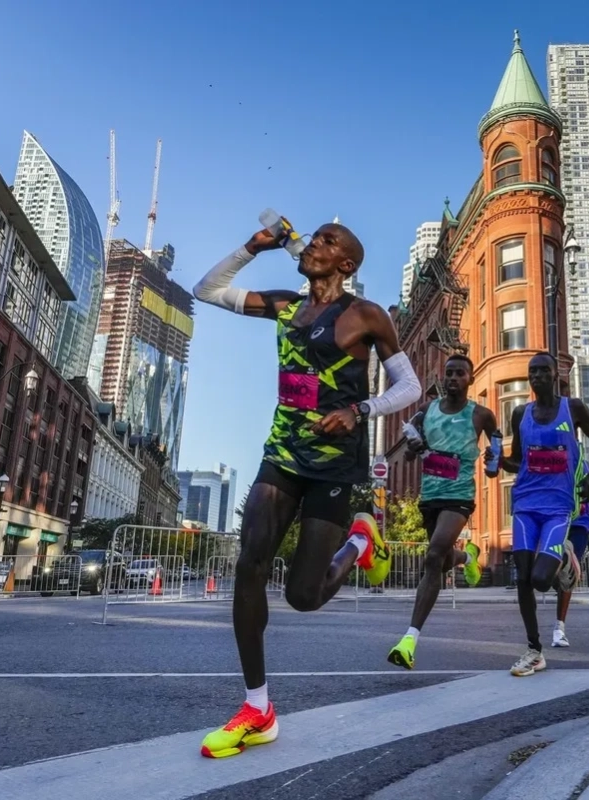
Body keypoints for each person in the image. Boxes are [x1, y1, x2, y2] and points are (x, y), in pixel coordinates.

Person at [191, 221, 422, 758]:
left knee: (303, 596)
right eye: (312, 238)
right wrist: (252, 246)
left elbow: (409, 386)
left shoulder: (367, 316)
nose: (314, 244)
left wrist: (359, 409)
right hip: (282, 455)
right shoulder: (285, 306)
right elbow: (206, 290)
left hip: (335, 468)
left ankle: (360, 541)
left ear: (347, 265)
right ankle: (257, 707)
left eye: (327, 241)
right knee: (248, 564)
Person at [387, 354, 499, 669]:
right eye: (448, 373)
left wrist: (493, 459)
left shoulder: (481, 415)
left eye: (459, 373)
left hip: (460, 496)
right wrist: (414, 446)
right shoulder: (426, 410)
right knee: (445, 558)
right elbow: (409, 452)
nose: (452, 378)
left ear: (470, 379)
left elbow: (495, 459)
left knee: (433, 556)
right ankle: (466, 557)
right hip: (431, 496)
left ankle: (409, 639)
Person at [502, 352, 589, 676]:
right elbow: (516, 460)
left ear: (555, 374)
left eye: (543, 371)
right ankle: (534, 650)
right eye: (532, 372)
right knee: (522, 577)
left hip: (559, 505)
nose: (536, 377)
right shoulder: (521, 414)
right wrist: (496, 462)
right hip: (524, 503)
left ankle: (563, 559)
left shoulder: (572, 408)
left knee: (539, 579)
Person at [550, 474, 589, 648]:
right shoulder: (550, 459)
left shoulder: (584, 468)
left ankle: (559, 628)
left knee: (567, 572)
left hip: (579, 524)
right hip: (554, 520)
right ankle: (559, 571)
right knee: (551, 576)